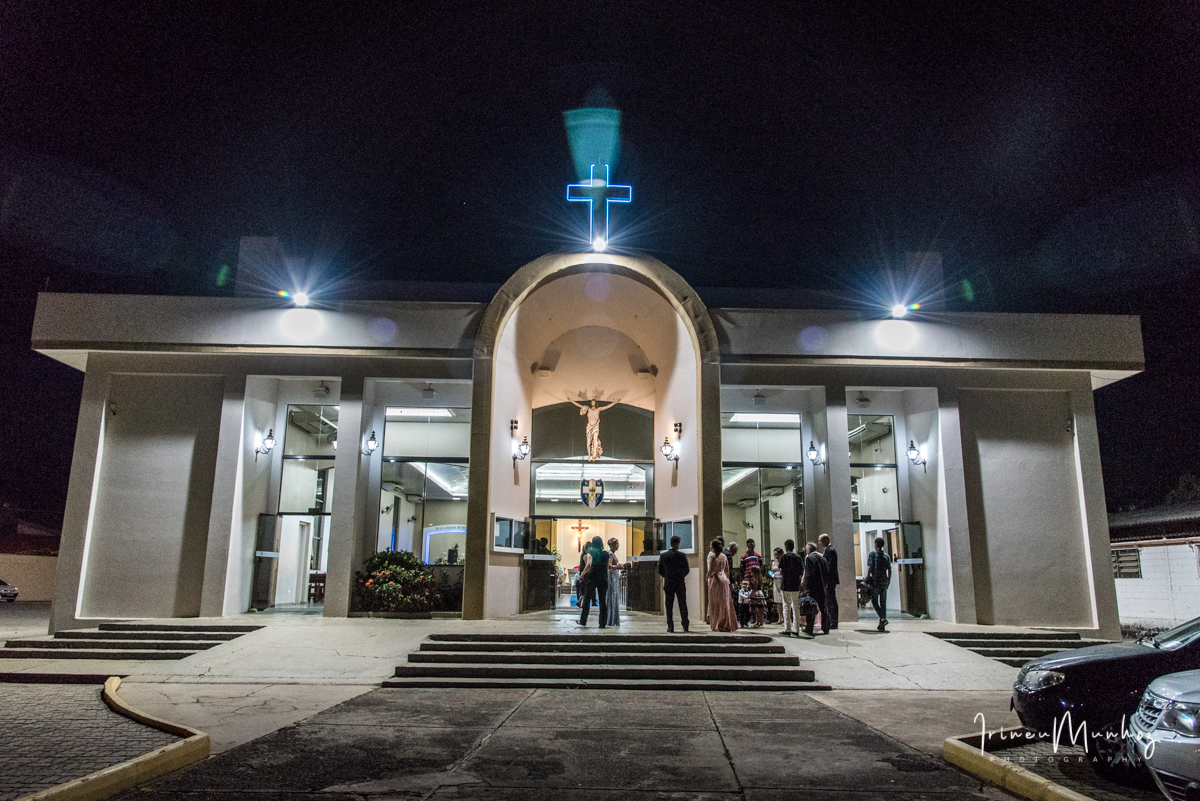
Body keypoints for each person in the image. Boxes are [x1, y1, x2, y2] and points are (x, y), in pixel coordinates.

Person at [658, 534, 690, 632]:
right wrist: (680, 576)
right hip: (679, 583)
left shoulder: (663, 555)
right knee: (682, 604)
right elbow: (687, 569)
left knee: (669, 605)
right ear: (677, 544)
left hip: (669, 582)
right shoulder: (682, 555)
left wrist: (667, 576)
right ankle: (685, 624)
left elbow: (660, 570)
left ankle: (670, 626)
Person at [706, 539, 739, 632]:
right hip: (724, 579)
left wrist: (707, 577)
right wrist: (727, 580)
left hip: (715, 580)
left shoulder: (712, 557)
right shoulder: (724, 556)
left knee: (715, 603)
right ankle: (726, 623)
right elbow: (727, 570)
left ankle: (716, 624)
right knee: (725, 602)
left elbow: (711, 570)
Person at [578, 536, 610, 627]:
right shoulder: (606, 554)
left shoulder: (590, 553)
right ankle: (603, 622)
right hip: (603, 578)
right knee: (603, 601)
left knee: (587, 600)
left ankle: (583, 620)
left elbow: (588, 565)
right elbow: (607, 567)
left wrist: (582, 575)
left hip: (592, 578)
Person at [802, 542, 831, 635]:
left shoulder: (809, 559)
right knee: (823, 608)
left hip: (813, 588)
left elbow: (808, 574)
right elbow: (827, 573)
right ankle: (826, 627)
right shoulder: (823, 559)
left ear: (809, 549)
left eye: (806, 548)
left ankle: (809, 628)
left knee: (810, 608)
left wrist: (806, 587)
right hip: (822, 587)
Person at [777, 539, 804, 636]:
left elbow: (781, 570)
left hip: (785, 584)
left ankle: (787, 628)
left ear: (786, 547)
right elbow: (801, 570)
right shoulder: (798, 557)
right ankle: (796, 629)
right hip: (795, 584)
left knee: (786, 607)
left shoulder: (784, 557)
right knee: (796, 607)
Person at [866, 536, 892, 631]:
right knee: (883, 602)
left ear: (875, 544)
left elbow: (870, 567)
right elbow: (889, 570)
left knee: (874, 600)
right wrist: (888, 580)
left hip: (876, 581)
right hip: (884, 581)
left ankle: (882, 617)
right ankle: (882, 624)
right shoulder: (886, 556)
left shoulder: (872, 554)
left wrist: (867, 577)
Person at [738, 539, 762, 626]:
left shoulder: (758, 556)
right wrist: (744, 579)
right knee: (749, 599)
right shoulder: (744, 557)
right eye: (749, 545)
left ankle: (759, 618)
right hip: (748, 579)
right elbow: (742, 569)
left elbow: (760, 565)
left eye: (752, 545)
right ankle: (750, 617)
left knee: (757, 599)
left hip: (756, 579)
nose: (751, 547)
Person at [818, 533, 839, 629]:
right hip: (828, 580)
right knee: (829, 600)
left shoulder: (831, 551)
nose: (819, 543)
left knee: (831, 601)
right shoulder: (828, 551)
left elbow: (830, 567)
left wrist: (826, 580)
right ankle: (831, 621)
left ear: (826, 540)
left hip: (829, 580)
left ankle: (833, 622)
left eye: (820, 541)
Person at [605, 537, 622, 627]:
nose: (617, 545)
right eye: (616, 544)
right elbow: (609, 565)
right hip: (612, 577)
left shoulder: (612, 553)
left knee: (614, 596)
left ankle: (613, 618)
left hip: (614, 576)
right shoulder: (610, 554)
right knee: (612, 596)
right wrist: (618, 567)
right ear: (612, 545)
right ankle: (611, 618)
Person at [770, 547, 785, 625]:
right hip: (775, 581)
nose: (776, 556)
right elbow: (770, 572)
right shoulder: (773, 563)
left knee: (784, 600)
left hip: (782, 581)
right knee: (778, 601)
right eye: (775, 554)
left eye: (778, 554)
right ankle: (780, 617)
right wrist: (772, 575)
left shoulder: (784, 562)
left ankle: (786, 618)